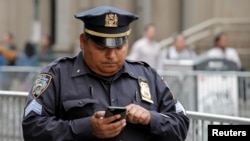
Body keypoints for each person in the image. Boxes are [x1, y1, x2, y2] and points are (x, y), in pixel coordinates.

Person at [22, 6, 189, 141]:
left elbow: (181, 124)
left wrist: (151, 119)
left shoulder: (147, 76)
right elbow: (32, 128)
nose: (112, 55)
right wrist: (86, 128)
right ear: (83, 41)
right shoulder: (57, 76)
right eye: (102, 48)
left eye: (119, 47)